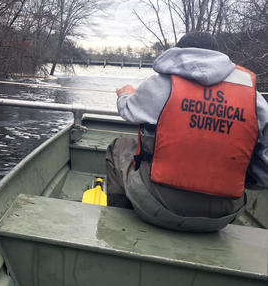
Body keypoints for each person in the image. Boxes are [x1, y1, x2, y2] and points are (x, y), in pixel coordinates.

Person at [106, 32, 268, 232]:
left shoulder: (161, 83)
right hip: (222, 216)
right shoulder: (253, 97)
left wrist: (125, 95)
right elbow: (264, 173)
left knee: (119, 145)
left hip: (156, 207)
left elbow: (128, 111)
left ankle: (118, 222)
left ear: (178, 52)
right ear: (218, 56)